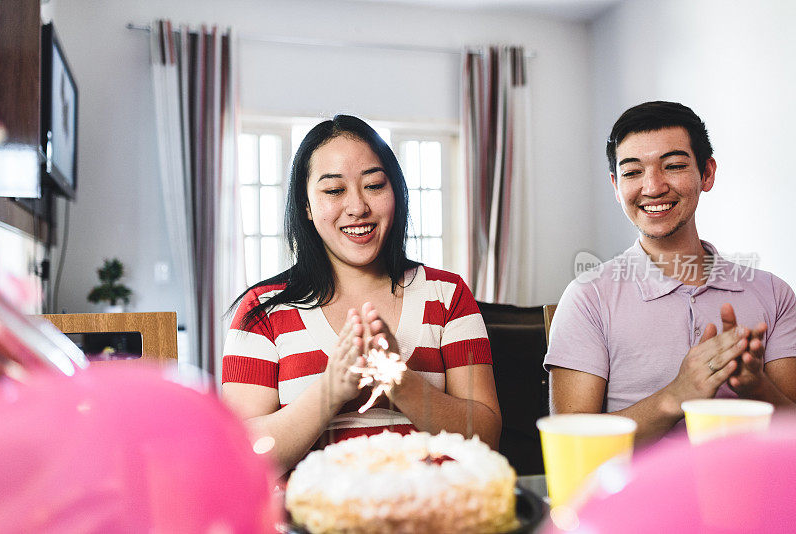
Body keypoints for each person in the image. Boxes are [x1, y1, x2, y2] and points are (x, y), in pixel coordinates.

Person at [222, 115, 501, 475]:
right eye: (334, 191)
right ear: (305, 206)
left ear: (396, 192)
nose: (357, 207)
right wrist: (330, 390)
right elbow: (240, 459)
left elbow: (488, 439)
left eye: (373, 185)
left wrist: (400, 381)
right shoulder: (261, 311)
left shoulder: (447, 295)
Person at [545, 101, 796, 442]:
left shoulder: (774, 294)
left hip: (748, 490)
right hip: (636, 495)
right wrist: (676, 396)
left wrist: (756, 386)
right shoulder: (588, 296)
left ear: (707, 173)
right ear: (616, 186)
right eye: (632, 172)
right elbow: (570, 443)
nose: (653, 187)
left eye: (674, 165)